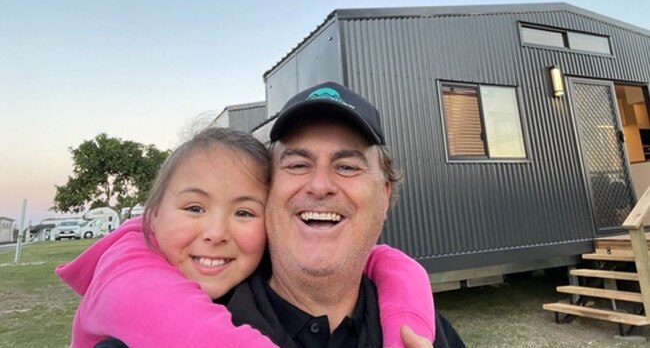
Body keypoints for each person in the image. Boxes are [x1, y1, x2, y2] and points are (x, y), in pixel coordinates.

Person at [56, 126, 436, 347]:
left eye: (243, 212)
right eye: (299, 164)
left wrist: (408, 325)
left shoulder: (421, 325)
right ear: (151, 218)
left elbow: (385, 259)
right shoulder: (128, 276)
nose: (217, 233)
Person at [221, 81, 465, 348]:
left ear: (383, 196)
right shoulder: (199, 325)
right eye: (298, 165)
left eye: (347, 167)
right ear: (267, 190)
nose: (320, 186)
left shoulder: (432, 337)